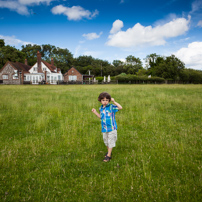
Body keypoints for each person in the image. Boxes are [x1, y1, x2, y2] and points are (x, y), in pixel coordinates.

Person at [92, 92, 122, 162]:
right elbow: (100, 116)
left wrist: (114, 101)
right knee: (106, 141)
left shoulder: (111, 107)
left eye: (106, 100)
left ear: (109, 100)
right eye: (103, 100)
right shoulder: (101, 108)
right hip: (104, 129)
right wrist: (95, 112)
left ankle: (108, 155)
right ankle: (109, 152)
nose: (105, 102)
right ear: (100, 101)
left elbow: (120, 107)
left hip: (112, 128)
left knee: (110, 141)